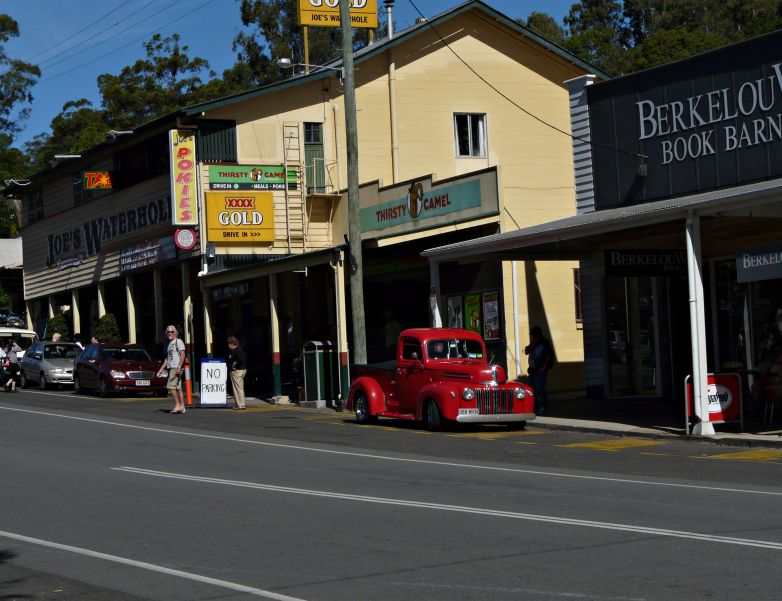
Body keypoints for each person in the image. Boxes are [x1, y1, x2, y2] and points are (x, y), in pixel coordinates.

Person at [525, 326, 554, 415]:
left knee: (540, 389)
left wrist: (544, 367)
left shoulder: (544, 343)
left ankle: (542, 407)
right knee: (532, 390)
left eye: (534, 335)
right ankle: (535, 406)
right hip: (532, 370)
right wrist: (532, 344)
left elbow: (549, 356)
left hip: (540, 370)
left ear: (538, 335)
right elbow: (526, 351)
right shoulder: (533, 343)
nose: (533, 337)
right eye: (532, 336)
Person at [157, 325, 186, 414]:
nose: (170, 333)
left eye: (171, 332)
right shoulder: (170, 344)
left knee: (170, 386)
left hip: (176, 368)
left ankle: (177, 405)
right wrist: (160, 369)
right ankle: (182, 407)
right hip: (172, 367)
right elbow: (167, 359)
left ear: (175, 332)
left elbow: (182, 355)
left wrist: (179, 367)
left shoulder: (178, 341)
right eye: (168, 332)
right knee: (178, 388)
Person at [227, 336, 247, 410]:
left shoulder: (235, 351)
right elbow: (243, 359)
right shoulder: (240, 349)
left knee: (236, 389)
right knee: (240, 388)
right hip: (243, 370)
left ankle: (239, 405)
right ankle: (242, 404)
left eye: (229, 344)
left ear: (232, 343)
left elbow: (240, 359)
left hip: (237, 372)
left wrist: (235, 365)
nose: (228, 345)